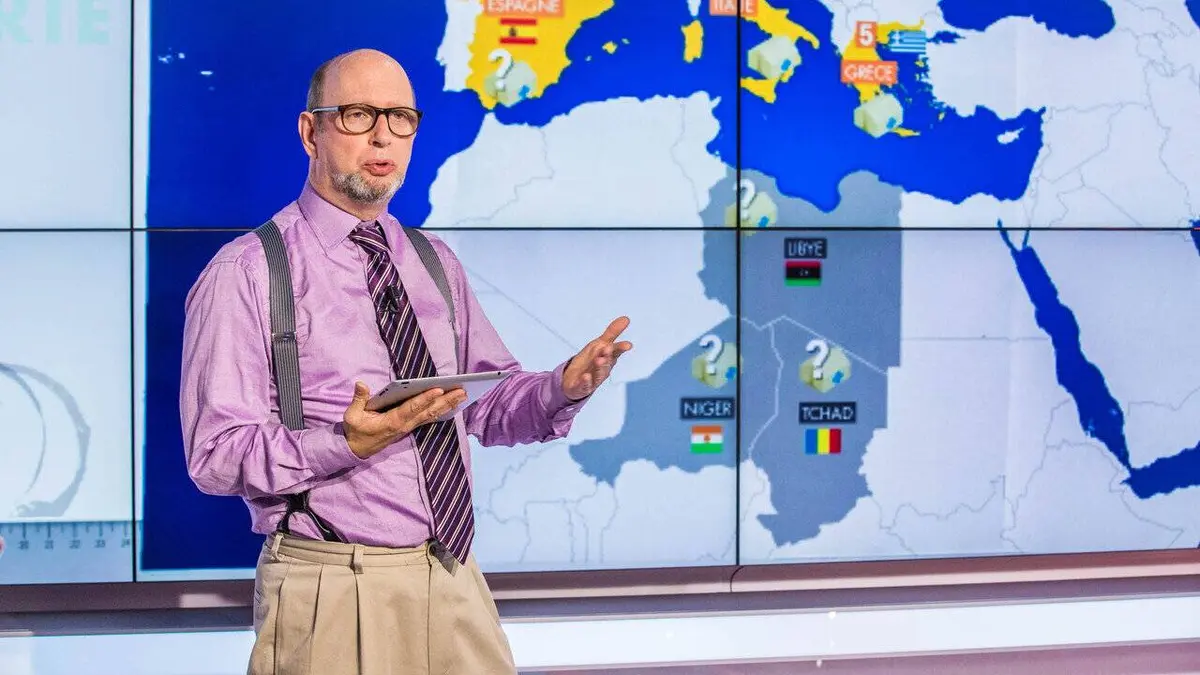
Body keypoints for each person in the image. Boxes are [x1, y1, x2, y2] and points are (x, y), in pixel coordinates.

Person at [179, 48, 633, 675]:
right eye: (358, 115)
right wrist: (345, 443)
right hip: (333, 585)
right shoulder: (247, 272)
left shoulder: (433, 260)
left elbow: (486, 404)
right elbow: (216, 455)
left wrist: (562, 387)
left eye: (400, 118)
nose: (382, 136)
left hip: (453, 575)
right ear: (311, 132)